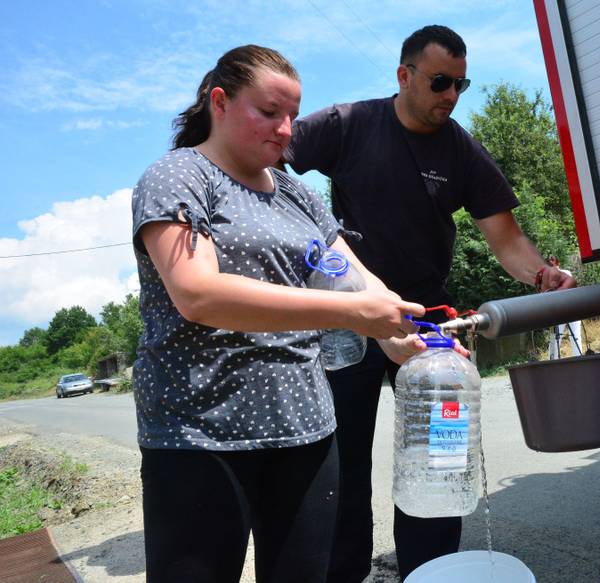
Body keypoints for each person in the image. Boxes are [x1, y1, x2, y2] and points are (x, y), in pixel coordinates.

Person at [284, 25, 576, 581]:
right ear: (405, 75)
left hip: (429, 320)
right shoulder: (349, 125)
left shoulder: (460, 148)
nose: (451, 96)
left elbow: (507, 238)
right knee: (341, 462)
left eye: (461, 86)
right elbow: (270, 158)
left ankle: (433, 569)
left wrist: (541, 273)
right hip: (349, 317)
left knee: (442, 456)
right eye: (441, 82)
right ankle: (343, 572)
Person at [130, 44, 425, 583]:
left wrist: (393, 330)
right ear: (219, 103)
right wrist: (353, 311)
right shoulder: (178, 178)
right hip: (201, 435)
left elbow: (348, 272)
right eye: (269, 113)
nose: (287, 129)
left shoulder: (296, 192)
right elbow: (200, 295)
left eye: (291, 115)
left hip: (306, 430)